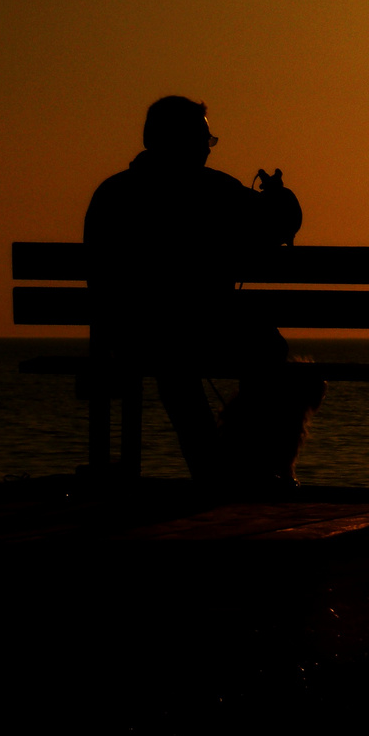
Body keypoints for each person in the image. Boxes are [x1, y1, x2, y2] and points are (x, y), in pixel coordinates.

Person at [84, 96, 322, 489]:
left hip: (129, 334)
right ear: (188, 140)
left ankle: (213, 470)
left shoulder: (112, 193)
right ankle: (247, 466)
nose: (206, 149)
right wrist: (280, 195)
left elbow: (100, 272)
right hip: (203, 329)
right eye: (205, 139)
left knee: (173, 362)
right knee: (265, 348)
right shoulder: (216, 191)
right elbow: (280, 226)